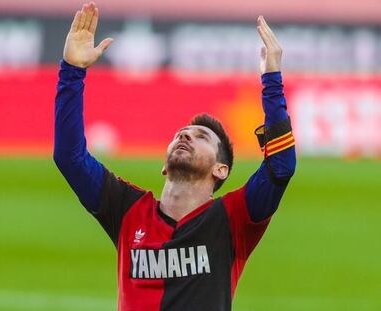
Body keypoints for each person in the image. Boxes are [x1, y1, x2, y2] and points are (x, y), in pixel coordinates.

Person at [54, 2, 296, 310]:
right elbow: (69, 158)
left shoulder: (233, 219)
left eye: (201, 137)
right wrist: (72, 72)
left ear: (221, 170)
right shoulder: (128, 210)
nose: (185, 136)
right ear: (164, 167)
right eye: (180, 134)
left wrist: (272, 80)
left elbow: (281, 166)